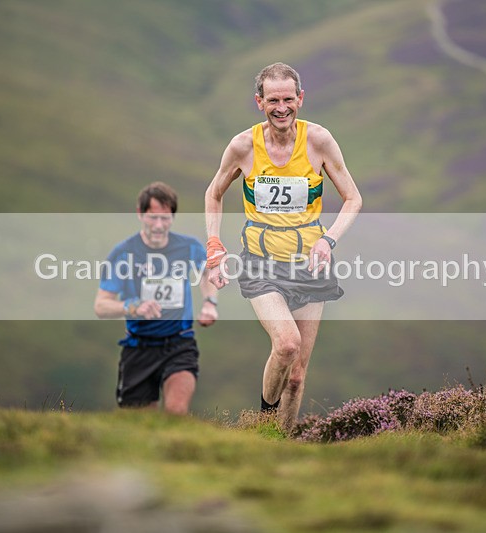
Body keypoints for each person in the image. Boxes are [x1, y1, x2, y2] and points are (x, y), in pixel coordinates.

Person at [204, 62, 362, 430]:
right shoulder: (243, 146)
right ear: (259, 102)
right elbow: (213, 194)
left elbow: (353, 198)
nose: (281, 107)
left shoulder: (319, 140)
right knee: (287, 345)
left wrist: (328, 240)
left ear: (300, 99)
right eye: (272, 99)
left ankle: (281, 446)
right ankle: (262, 426)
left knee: (296, 376)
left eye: (288, 99)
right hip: (262, 263)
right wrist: (214, 246)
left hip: (311, 265)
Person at [94, 182, 218, 414]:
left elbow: (208, 274)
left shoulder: (188, 246)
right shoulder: (123, 253)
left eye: (166, 218)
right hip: (138, 346)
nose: (159, 225)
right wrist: (133, 307)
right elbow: (101, 306)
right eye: (153, 218)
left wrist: (210, 303)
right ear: (140, 214)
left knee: (176, 411)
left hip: (179, 343)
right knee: (138, 426)